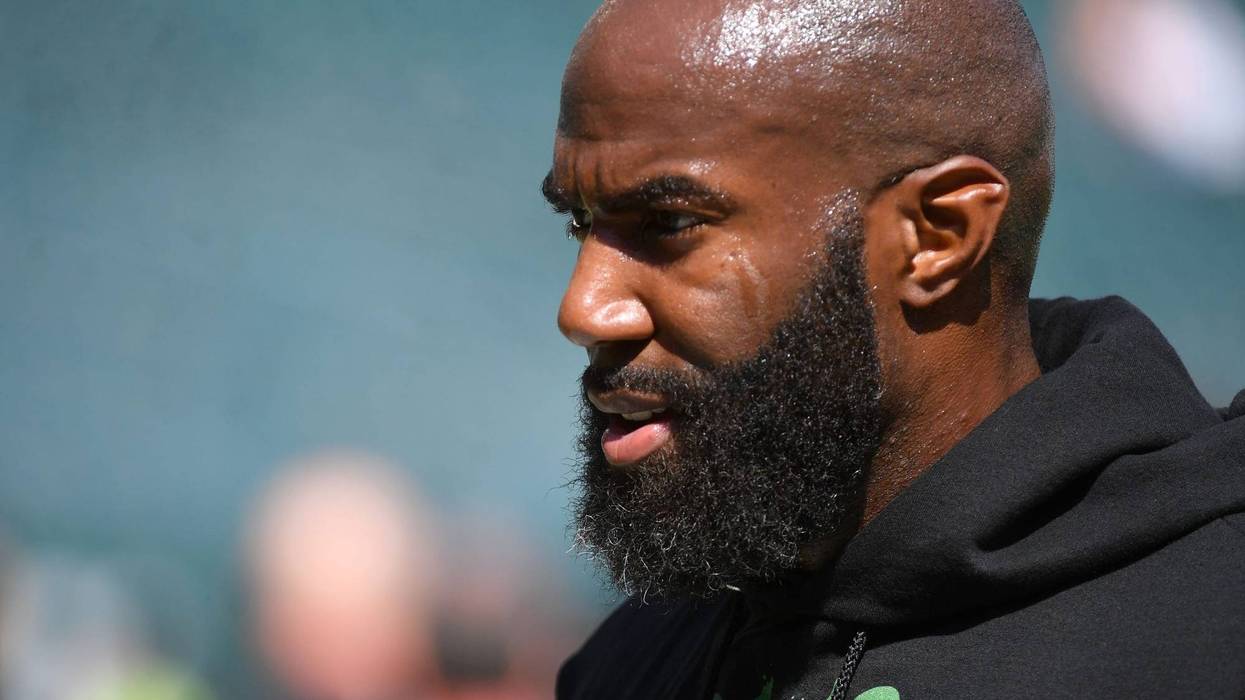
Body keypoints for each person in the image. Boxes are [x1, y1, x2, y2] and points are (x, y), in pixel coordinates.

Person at [540, 1, 1245, 698]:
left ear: (937, 236)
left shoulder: (1207, 644)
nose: (583, 310)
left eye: (668, 222)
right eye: (580, 221)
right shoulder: (630, 661)